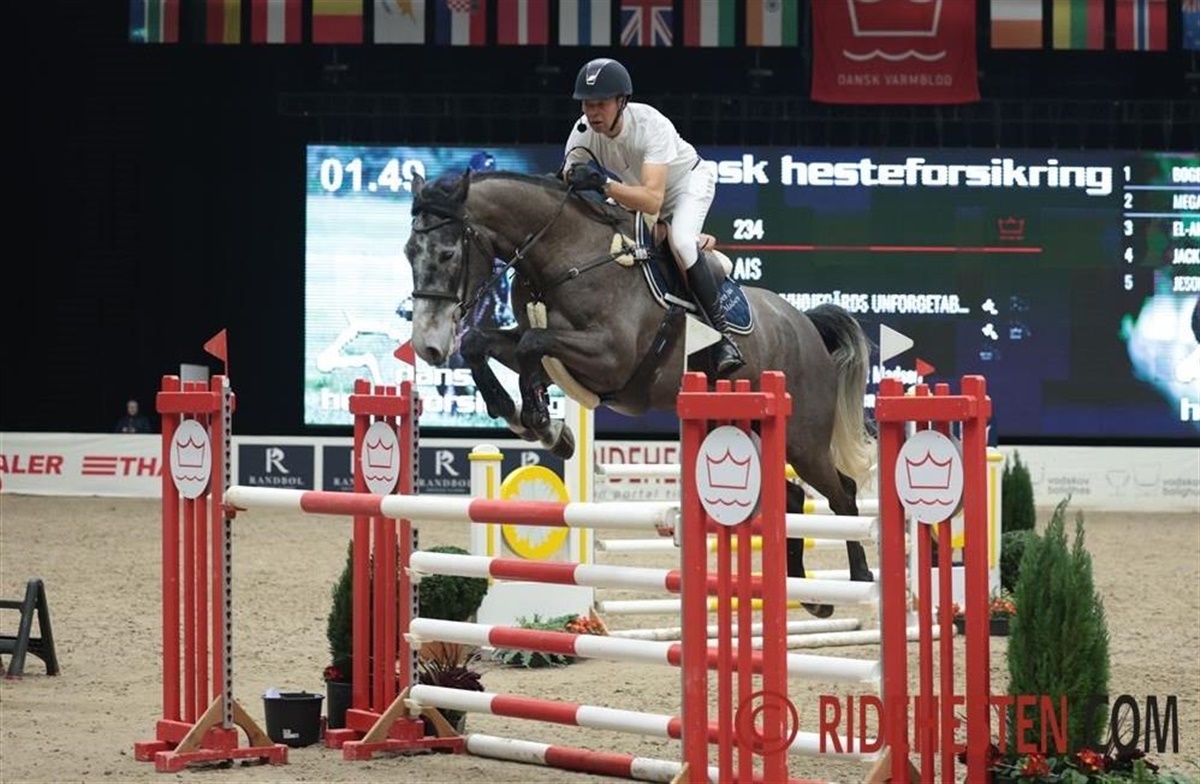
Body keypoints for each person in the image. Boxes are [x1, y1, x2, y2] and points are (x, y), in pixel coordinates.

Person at [560, 57, 744, 377]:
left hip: (686, 185)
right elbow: (565, 179)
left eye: (601, 104)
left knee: (682, 242)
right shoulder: (583, 132)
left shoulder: (650, 124)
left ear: (622, 102)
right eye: (587, 104)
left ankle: (724, 337)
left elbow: (652, 200)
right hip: (637, 193)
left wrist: (603, 184)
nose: (593, 113)